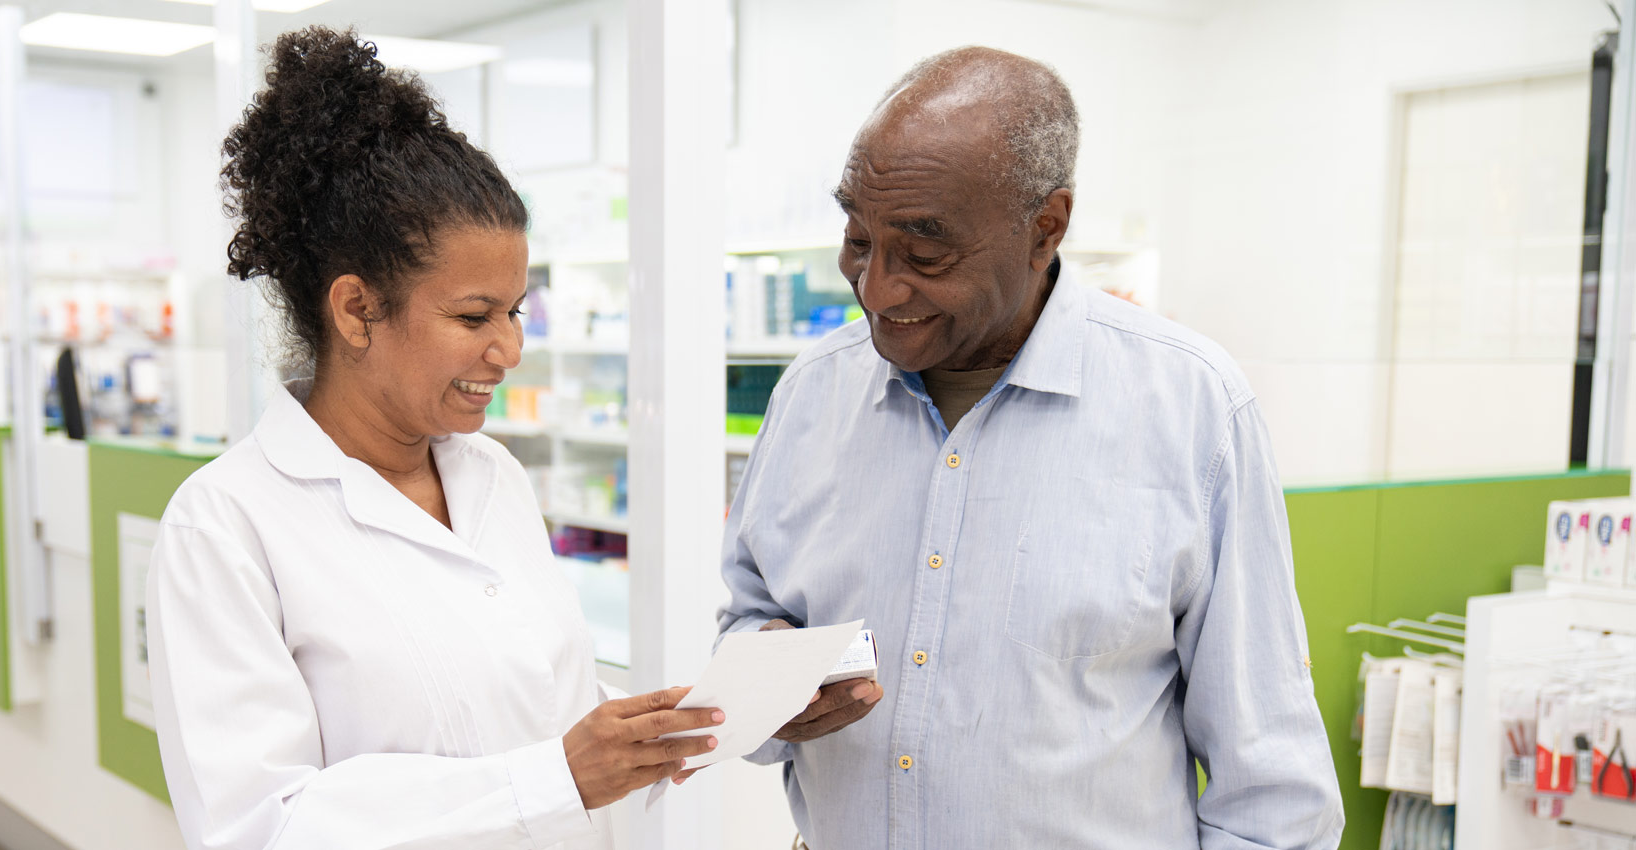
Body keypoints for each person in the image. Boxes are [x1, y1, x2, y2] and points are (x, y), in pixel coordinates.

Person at [717, 47, 1345, 849]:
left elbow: (1272, 785)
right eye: (857, 239)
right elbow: (746, 618)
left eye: (925, 250)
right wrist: (767, 674)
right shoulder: (812, 393)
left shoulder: (1189, 407)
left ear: (1044, 228)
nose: (875, 289)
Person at [145, 27, 721, 850]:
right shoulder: (226, 526)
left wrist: (645, 734)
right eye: (472, 316)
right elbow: (260, 827)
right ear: (356, 310)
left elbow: (530, 704)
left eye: (516, 311)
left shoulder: (493, 477)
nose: (510, 349)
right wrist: (555, 777)